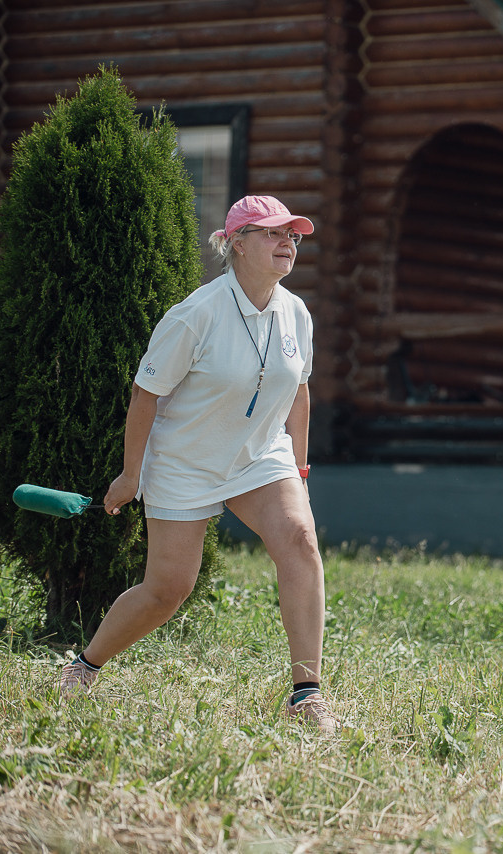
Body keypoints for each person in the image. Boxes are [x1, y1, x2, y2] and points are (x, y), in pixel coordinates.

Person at [58, 195, 336, 733]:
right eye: (273, 234)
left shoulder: (295, 312)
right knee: (168, 590)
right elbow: (146, 394)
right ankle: (84, 667)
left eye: (294, 237)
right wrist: (130, 475)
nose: (288, 244)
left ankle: (307, 696)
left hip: (260, 456)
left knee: (301, 542)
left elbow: (298, 394)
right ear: (236, 243)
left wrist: (298, 474)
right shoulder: (195, 314)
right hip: (185, 462)